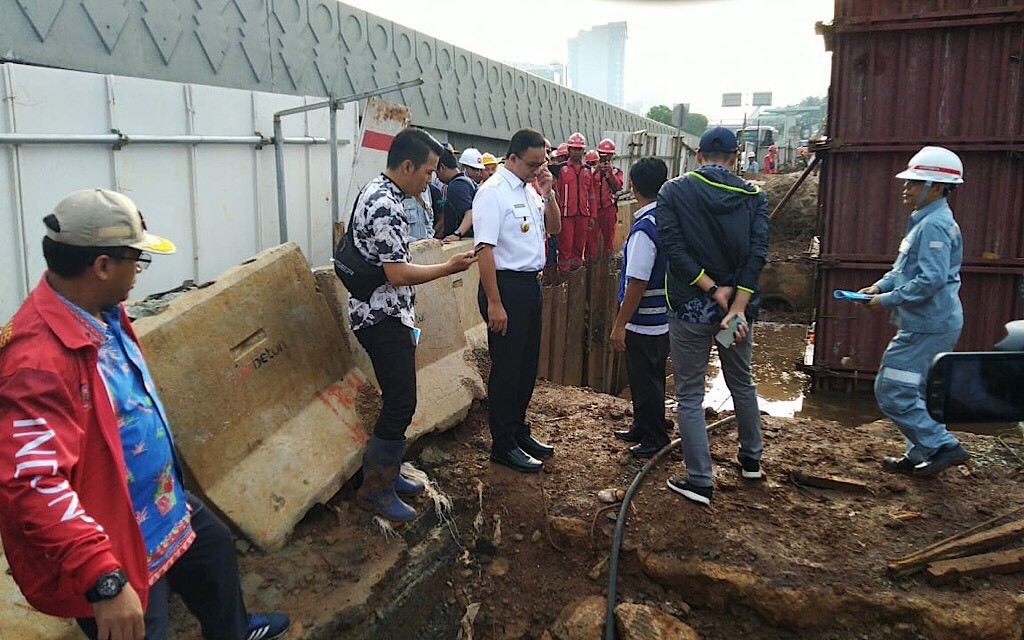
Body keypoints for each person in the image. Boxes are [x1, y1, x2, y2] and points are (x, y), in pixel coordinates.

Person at [0, 188, 289, 640]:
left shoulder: (102, 311)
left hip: (158, 501)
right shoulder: (34, 361)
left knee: (212, 549)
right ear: (101, 266)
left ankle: (234, 632)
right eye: (136, 259)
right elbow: (33, 485)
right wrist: (103, 579)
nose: (139, 271)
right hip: (112, 535)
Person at [348, 128, 477, 520]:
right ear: (407, 166)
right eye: (427, 171)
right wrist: (448, 267)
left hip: (388, 312)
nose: (431, 179)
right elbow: (398, 274)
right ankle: (376, 489)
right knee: (401, 402)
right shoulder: (387, 205)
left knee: (398, 397)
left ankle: (389, 470)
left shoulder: (379, 190)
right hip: (381, 316)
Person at [658, 126, 769, 506]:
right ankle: (751, 459)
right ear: (736, 157)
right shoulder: (754, 195)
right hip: (733, 317)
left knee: (689, 394)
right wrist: (736, 306)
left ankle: (700, 481)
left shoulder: (673, 191)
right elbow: (757, 255)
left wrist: (710, 288)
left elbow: (673, 247)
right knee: (742, 382)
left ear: (699, 156)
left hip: (691, 310)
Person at [857, 146, 968, 477]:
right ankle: (920, 453)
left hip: (928, 325)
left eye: (914, 182)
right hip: (930, 322)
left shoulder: (933, 225)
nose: (906, 188)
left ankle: (942, 446)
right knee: (916, 389)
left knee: (892, 389)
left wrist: (887, 300)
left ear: (936, 187)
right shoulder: (926, 221)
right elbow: (904, 270)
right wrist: (879, 286)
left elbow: (930, 280)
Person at [473, 128, 561, 472]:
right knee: (507, 370)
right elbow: (484, 250)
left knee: (526, 367)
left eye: (543, 163)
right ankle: (502, 444)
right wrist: (495, 302)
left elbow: (553, 229)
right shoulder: (492, 193)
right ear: (512, 158)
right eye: (532, 164)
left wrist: (548, 193)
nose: (538, 169)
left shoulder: (530, 190)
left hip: (529, 286)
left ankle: (518, 429)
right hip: (505, 288)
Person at [609, 158, 671, 458]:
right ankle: (643, 426)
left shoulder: (645, 229)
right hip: (663, 318)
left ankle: (654, 438)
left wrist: (620, 324)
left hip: (644, 321)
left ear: (633, 187)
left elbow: (636, 282)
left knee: (644, 380)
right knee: (652, 377)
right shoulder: (667, 219)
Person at [553, 132, 592, 271]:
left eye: (579, 149)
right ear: (569, 150)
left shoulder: (587, 170)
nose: (577, 152)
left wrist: (592, 216)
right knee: (565, 247)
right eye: (574, 149)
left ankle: (576, 276)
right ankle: (564, 277)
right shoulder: (561, 169)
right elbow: (556, 194)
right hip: (566, 215)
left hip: (582, 214)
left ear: (583, 151)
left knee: (578, 247)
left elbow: (591, 195)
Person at [588, 138, 624, 259]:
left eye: (608, 156)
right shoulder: (591, 171)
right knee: (591, 240)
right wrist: (595, 171)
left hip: (609, 209)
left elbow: (618, 187)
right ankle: (590, 264)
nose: (606, 159)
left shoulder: (616, 172)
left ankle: (607, 264)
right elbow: (585, 184)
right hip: (593, 210)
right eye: (603, 156)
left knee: (609, 238)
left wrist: (611, 174)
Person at [442, 148, 486, 242]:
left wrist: (457, 234)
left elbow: (470, 212)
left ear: (442, 168)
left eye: (479, 170)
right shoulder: (467, 182)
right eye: (474, 169)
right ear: (463, 167)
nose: (478, 173)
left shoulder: (457, 185)